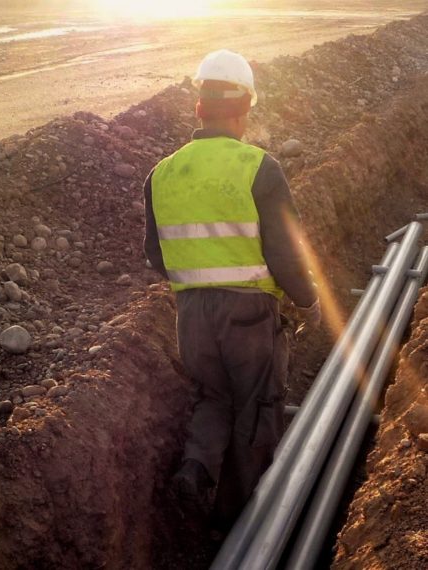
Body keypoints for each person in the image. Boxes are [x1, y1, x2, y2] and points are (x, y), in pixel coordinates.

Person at [143, 49, 321, 532]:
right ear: (243, 111)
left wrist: (201, 280)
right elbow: (286, 253)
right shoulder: (259, 168)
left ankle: (196, 467)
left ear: (199, 109)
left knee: (211, 397)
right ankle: (238, 522)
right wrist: (307, 301)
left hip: (192, 316)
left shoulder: (161, 174)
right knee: (256, 408)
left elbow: (156, 257)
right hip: (250, 315)